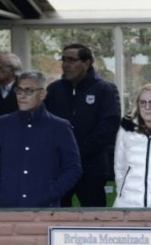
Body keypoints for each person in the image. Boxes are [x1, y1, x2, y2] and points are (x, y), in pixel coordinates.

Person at [44, 43, 121, 207]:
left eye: (71, 60)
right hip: (60, 168)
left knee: (94, 218)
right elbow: (46, 124)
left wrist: (78, 151)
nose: (66, 64)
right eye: (64, 60)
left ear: (86, 63)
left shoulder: (104, 90)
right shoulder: (53, 90)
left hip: (92, 168)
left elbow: (109, 126)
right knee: (57, 216)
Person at [0, 71, 82, 208]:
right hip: (9, 207)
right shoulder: (3, 124)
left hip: (47, 209)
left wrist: (50, 194)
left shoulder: (60, 127)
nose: (22, 96)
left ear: (42, 94)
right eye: (19, 90)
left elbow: (73, 168)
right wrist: (1, 191)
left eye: (28, 91)